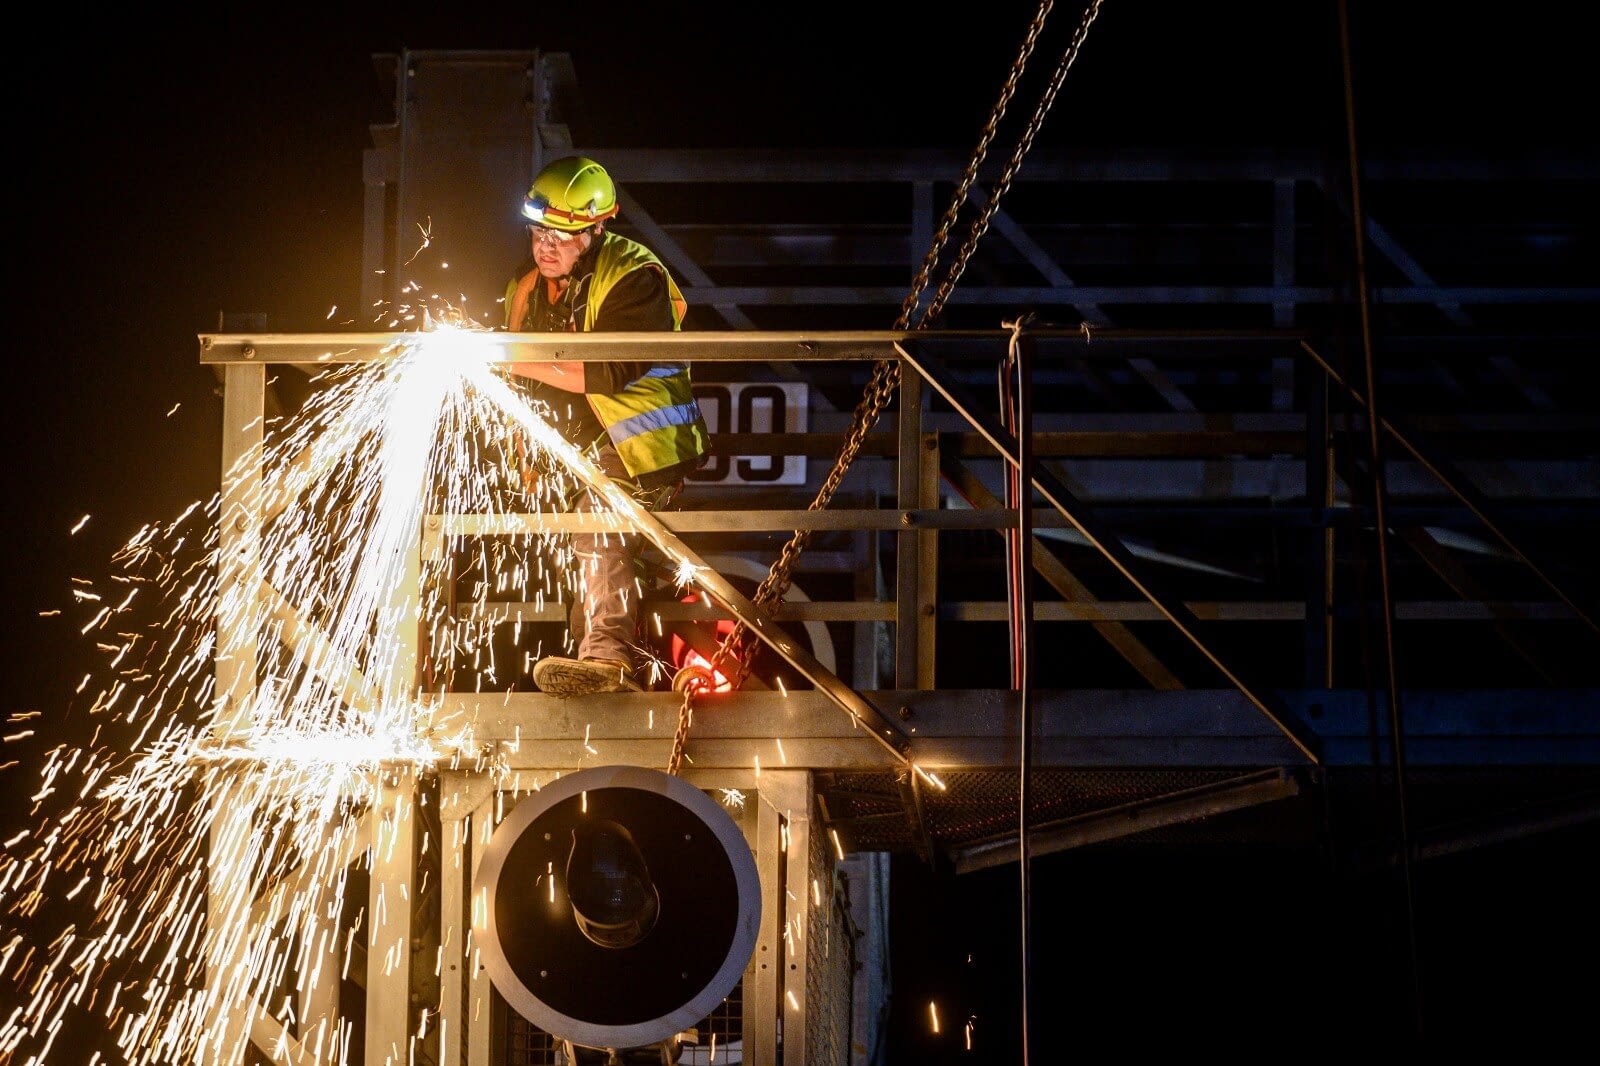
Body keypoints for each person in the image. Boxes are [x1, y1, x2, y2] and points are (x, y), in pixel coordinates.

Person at [503, 155, 710, 697]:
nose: (545, 246)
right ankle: (614, 666)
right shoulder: (525, 290)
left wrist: (502, 357)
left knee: (597, 522)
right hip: (577, 447)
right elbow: (526, 385)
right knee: (601, 548)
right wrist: (526, 455)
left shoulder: (635, 276)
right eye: (538, 232)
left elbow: (604, 373)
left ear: (596, 229)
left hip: (645, 443)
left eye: (561, 235)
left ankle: (607, 655)